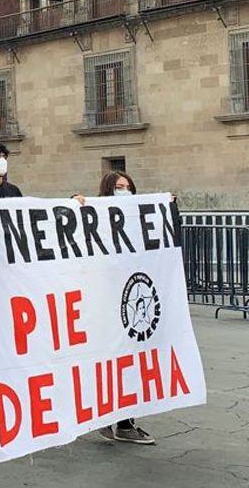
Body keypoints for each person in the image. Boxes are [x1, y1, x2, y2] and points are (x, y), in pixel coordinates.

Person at [72, 170, 169, 446]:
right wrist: (74, 202)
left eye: (128, 186)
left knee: (130, 363)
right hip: (104, 304)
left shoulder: (137, 219)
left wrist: (167, 207)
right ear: (107, 190)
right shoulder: (96, 216)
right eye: (118, 186)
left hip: (131, 303)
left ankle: (125, 423)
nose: (124, 190)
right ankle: (104, 415)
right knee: (108, 361)